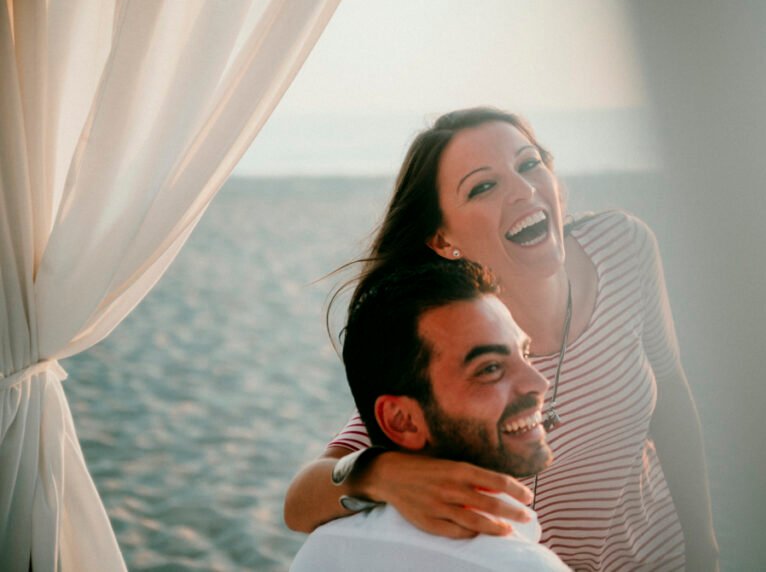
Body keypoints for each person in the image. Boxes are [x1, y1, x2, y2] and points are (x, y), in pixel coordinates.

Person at [284, 107, 719, 571]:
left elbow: (671, 395)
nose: (523, 189)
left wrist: (704, 546)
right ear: (441, 237)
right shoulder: (462, 346)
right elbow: (299, 503)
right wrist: (381, 472)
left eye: (530, 164)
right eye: (483, 186)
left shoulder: (625, 247)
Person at [290, 260, 570, 571]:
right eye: (490, 368)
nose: (539, 384)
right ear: (402, 421)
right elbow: (297, 502)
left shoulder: (318, 553)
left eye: (525, 354)